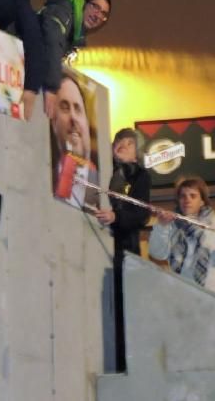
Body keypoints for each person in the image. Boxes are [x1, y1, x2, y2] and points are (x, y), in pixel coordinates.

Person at [94, 128, 151, 372]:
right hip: (98, 242)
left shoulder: (140, 176)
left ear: (137, 153)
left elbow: (141, 214)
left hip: (124, 246)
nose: (122, 145)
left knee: (124, 307)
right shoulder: (103, 168)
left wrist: (116, 216)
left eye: (129, 143)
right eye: (119, 141)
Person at [148, 176, 215, 297]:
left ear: (202, 200)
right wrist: (162, 226)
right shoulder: (170, 224)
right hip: (179, 296)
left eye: (193, 196)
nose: (187, 200)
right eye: (183, 196)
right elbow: (157, 253)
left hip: (212, 297)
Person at [39, 0, 111, 117]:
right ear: (84, 3)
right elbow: (53, 44)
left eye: (103, 14)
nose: (98, 15)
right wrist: (51, 87)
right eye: (95, 7)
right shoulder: (63, 11)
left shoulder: (76, 36)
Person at [50, 72, 99, 209]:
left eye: (78, 109)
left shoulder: (102, 183)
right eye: (65, 108)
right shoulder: (45, 181)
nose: (73, 117)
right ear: (53, 122)